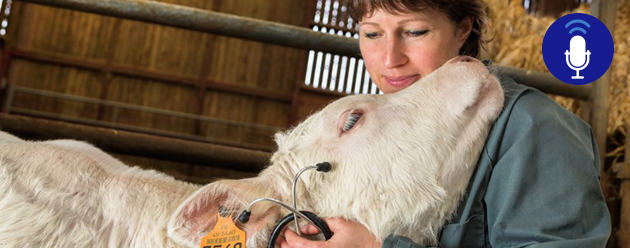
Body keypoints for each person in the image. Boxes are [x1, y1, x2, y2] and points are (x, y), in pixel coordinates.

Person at [278, 0, 612, 247]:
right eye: (372, 34)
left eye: (414, 31)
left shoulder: (534, 128)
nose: (391, 58)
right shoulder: (378, 129)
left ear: (463, 29)